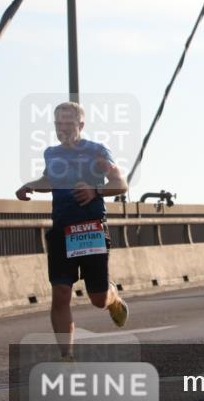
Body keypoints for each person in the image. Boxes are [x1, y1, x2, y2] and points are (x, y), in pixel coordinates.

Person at [15, 101, 130, 361]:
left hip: (90, 228)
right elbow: (50, 180)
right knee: (61, 293)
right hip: (61, 230)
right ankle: (66, 357)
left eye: (68, 123)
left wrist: (95, 191)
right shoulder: (51, 153)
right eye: (58, 124)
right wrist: (30, 185)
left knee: (98, 299)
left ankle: (112, 297)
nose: (63, 128)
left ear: (80, 125)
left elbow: (120, 183)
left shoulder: (97, 152)